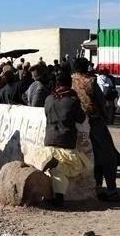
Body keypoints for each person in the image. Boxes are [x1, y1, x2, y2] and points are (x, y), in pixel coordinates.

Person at [72, 58, 120, 202]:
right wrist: (105, 117)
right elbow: (101, 101)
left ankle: (96, 187)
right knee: (108, 157)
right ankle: (111, 190)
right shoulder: (91, 81)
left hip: (77, 123)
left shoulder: (71, 80)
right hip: (94, 122)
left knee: (89, 156)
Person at [41, 70, 91, 208]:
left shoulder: (49, 99)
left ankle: (59, 198)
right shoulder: (72, 100)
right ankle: (57, 164)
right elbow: (81, 119)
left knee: (58, 174)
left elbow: (46, 115)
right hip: (66, 140)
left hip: (49, 140)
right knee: (78, 166)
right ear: (70, 84)